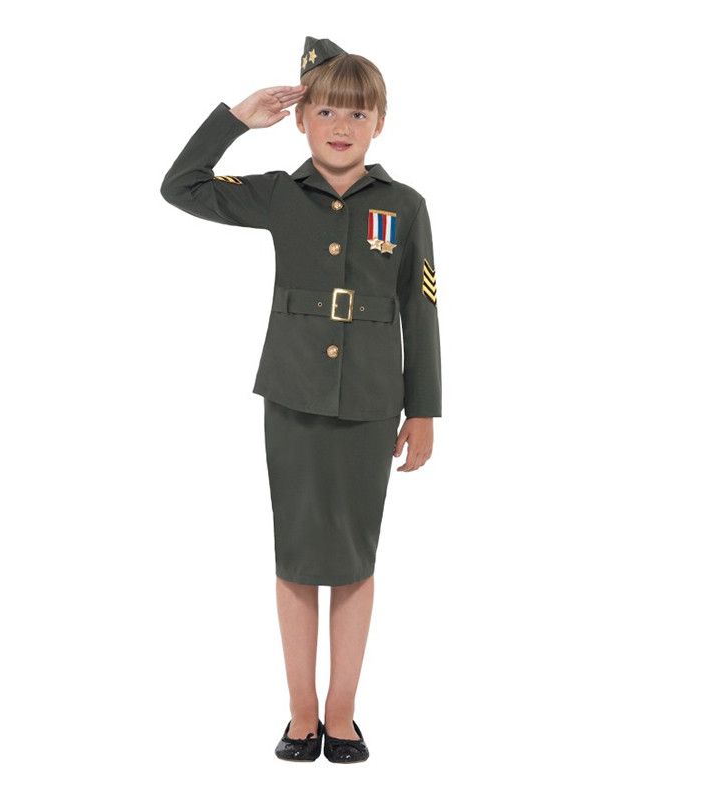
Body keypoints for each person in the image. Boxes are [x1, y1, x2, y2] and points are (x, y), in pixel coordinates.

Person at [160, 35, 441, 763]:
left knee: (354, 557)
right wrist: (235, 118)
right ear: (301, 120)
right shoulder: (279, 195)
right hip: (291, 396)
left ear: (380, 122)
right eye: (325, 111)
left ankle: (342, 713)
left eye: (357, 113)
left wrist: (423, 409)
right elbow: (181, 185)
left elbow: (421, 310)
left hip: (373, 402)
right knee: (295, 554)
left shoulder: (404, 206)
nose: (340, 126)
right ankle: (300, 712)